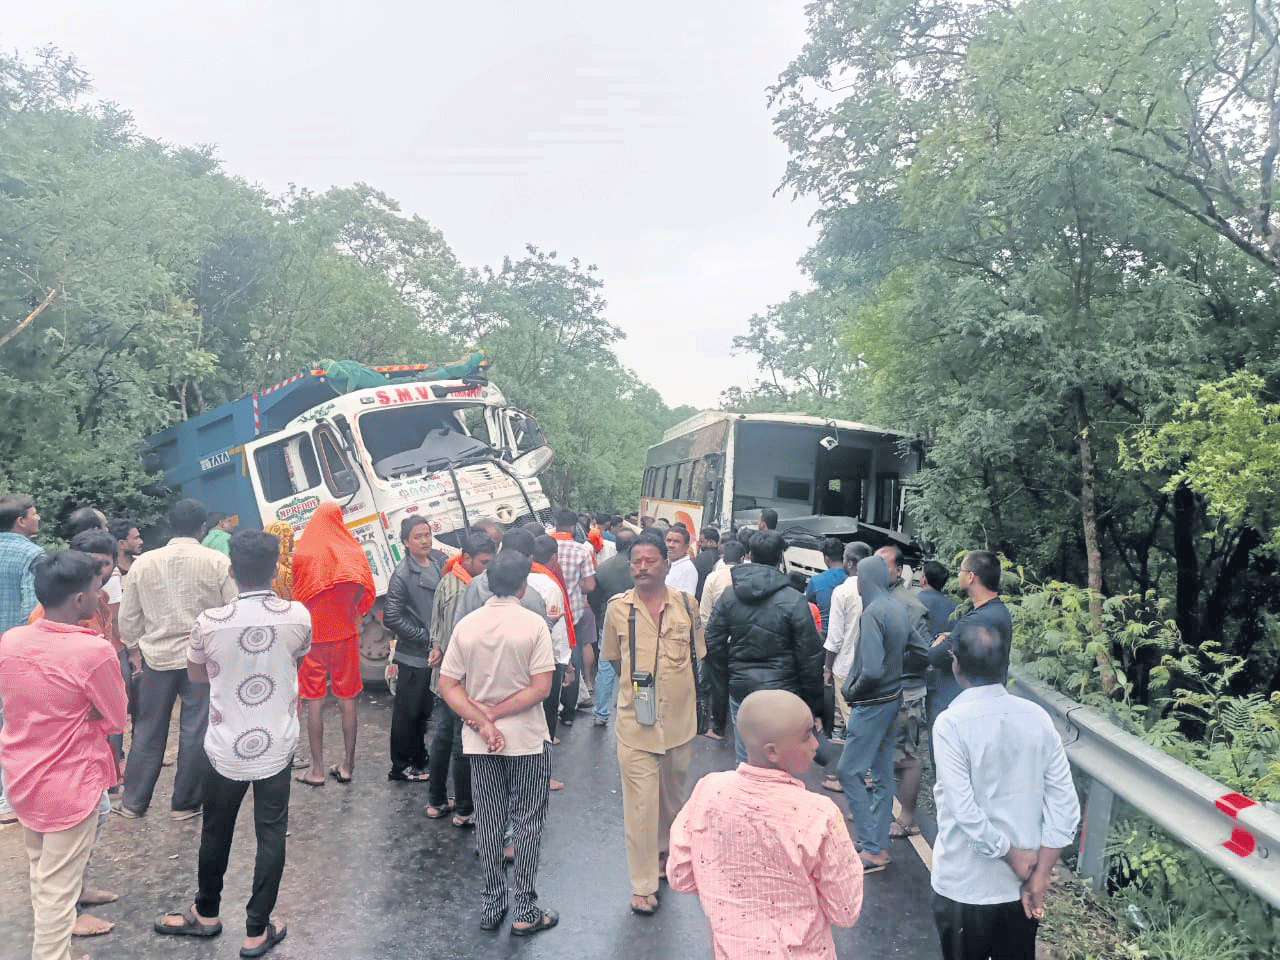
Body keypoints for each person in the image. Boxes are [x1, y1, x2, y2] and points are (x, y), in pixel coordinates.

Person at [155, 530, 310, 958]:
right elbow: (296, 659)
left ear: (230, 570)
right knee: (271, 833)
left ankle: (205, 914)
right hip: (277, 742)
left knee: (215, 830)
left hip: (225, 744)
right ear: (275, 569)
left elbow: (198, 676)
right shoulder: (298, 615)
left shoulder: (209, 623)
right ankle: (257, 931)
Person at [667, 689, 863, 960]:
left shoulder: (708, 792)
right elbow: (845, 911)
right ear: (773, 752)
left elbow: (681, 875)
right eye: (807, 736)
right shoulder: (819, 814)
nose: (816, 746)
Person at [0, 550, 128, 960]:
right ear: (78, 601)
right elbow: (116, 716)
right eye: (96, 588)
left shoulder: (13, 639)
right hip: (68, 783)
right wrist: (83, 713)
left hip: (22, 774)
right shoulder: (93, 652)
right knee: (57, 893)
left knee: (43, 874)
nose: (100, 593)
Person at [932, 622, 1080, 960]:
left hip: (965, 886)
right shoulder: (1037, 717)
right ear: (1005, 665)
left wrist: (1011, 855)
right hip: (1020, 888)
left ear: (955, 662)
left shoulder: (951, 724)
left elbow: (963, 810)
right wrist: (1040, 874)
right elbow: (1064, 804)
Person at [438, 550, 558, 937]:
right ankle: (525, 908)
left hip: (480, 743)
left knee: (489, 821)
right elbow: (541, 687)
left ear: (488, 582)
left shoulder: (468, 626)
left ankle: (492, 905)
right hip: (527, 739)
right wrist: (499, 713)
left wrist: (482, 720)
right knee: (527, 822)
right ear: (524, 583)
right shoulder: (533, 625)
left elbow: (448, 685)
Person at [601, 532, 705, 916]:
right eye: (636, 562)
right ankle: (643, 884)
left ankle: (665, 851)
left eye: (649, 560)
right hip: (635, 725)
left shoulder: (687, 606)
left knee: (671, 800)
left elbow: (698, 658)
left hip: (679, 723)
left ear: (666, 564)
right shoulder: (617, 609)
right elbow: (613, 659)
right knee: (641, 806)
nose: (642, 567)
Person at [118, 499, 236, 819]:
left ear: (170, 525)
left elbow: (129, 617)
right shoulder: (216, 561)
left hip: (156, 658)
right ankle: (184, 804)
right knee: (196, 730)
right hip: (203, 660)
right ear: (203, 528)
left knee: (147, 729)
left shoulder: (143, 564)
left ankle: (133, 803)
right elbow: (232, 609)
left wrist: (133, 649)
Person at [704, 530, 825, 764]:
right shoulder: (793, 599)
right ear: (780, 558)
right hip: (784, 690)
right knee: (782, 758)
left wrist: (728, 676)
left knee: (746, 755)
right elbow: (810, 656)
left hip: (742, 688)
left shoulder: (731, 595)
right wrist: (814, 705)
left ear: (749, 555)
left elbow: (713, 642)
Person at [291, 503, 375, 787]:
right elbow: (363, 588)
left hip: (312, 639)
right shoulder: (352, 551)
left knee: (314, 700)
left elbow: (297, 596)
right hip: (346, 636)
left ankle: (316, 769)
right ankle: (348, 765)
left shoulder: (303, 553)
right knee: (347, 699)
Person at [837, 554, 910, 872]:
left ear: (863, 581)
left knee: (848, 772)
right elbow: (920, 651)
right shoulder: (897, 609)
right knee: (881, 774)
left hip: (871, 704)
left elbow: (871, 671)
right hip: (893, 699)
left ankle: (870, 845)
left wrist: (852, 691)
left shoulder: (873, 613)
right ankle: (877, 845)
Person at [425, 532, 496, 824]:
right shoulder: (467, 591)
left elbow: (435, 628)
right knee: (460, 741)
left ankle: (436, 800)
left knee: (442, 738)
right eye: (483, 562)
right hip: (459, 680)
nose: (488, 568)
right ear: (467, 558)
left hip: (442, 677)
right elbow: (459, 638)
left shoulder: (447, 579)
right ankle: (465, 809)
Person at [875, 544, 934, 840]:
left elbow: (924, 653)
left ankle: (909, 819)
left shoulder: (909, 606)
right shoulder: (879, 598)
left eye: (883, 565)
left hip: (904, 690)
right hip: (883, 690)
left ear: (898, 571)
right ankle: (880, 810)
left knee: (907, 755)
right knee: (884, 752)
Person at [383, 516, 446, 782]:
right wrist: (426, 638)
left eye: (427, 535)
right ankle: (401, 766)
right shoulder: (403, 574)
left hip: (432, 650)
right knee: (407, 712)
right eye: (418, 537)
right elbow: (392, 617)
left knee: (423, 710)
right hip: (414, 654)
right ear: (406, 542)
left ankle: (420, 759)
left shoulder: (437, 563)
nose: (424, 541)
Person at [928, 550, 1013, 716]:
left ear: (971, 577)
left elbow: (935, 656)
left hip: (959, 703)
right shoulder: (1000, 611)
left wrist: (939, 642)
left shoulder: (973, 621)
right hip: (988, 702)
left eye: (961, 570)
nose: (959, 575)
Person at [820, 542, 872, 787]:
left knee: (853, 724)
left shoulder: (842, 592)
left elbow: (835, 638)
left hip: (846, 666)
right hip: (871, 665)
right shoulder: (878, 590)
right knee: (862, 720)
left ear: (850, 563)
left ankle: (855, 776)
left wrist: (827, 668)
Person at [551, 509, 596, 724]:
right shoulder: (581, 551)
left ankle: (549, 708)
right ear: (573, 527)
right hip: (573, 612)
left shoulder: (543, 545)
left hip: (548, 610)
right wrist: (575, 585)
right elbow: (589, 585)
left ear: (556, 523)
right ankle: (569, 712)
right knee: (573, 656)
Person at [587, 527, 635, 727]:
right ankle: (634, 709)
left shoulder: (603, 568)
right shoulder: (640, 568)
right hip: (636, 618)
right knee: (636, 664)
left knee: (606, 666)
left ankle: (601, 712)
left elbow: (594, 598)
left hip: (609, 619)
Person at [919, 560, 957, 720]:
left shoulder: (913, 601)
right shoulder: (954, 607)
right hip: (941, 670)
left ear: (924, 579)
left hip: (914, 669)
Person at [805, 538, 848, 638]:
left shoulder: (815, 581)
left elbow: (808, 609)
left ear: (827, 559)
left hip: (825, 637)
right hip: (850, 636)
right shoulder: (853, 579)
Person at [664, 524, 698, 595]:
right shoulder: (665, 563)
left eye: (676, 541)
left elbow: (687, 602)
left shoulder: (688, 569)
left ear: (686, 547)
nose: (671, 545)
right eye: (668, 540)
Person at [691, 527, 721, 601]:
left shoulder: (701, 558)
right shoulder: (721, 558)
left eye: (702, 541)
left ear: (711, 542)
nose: (699, 544)